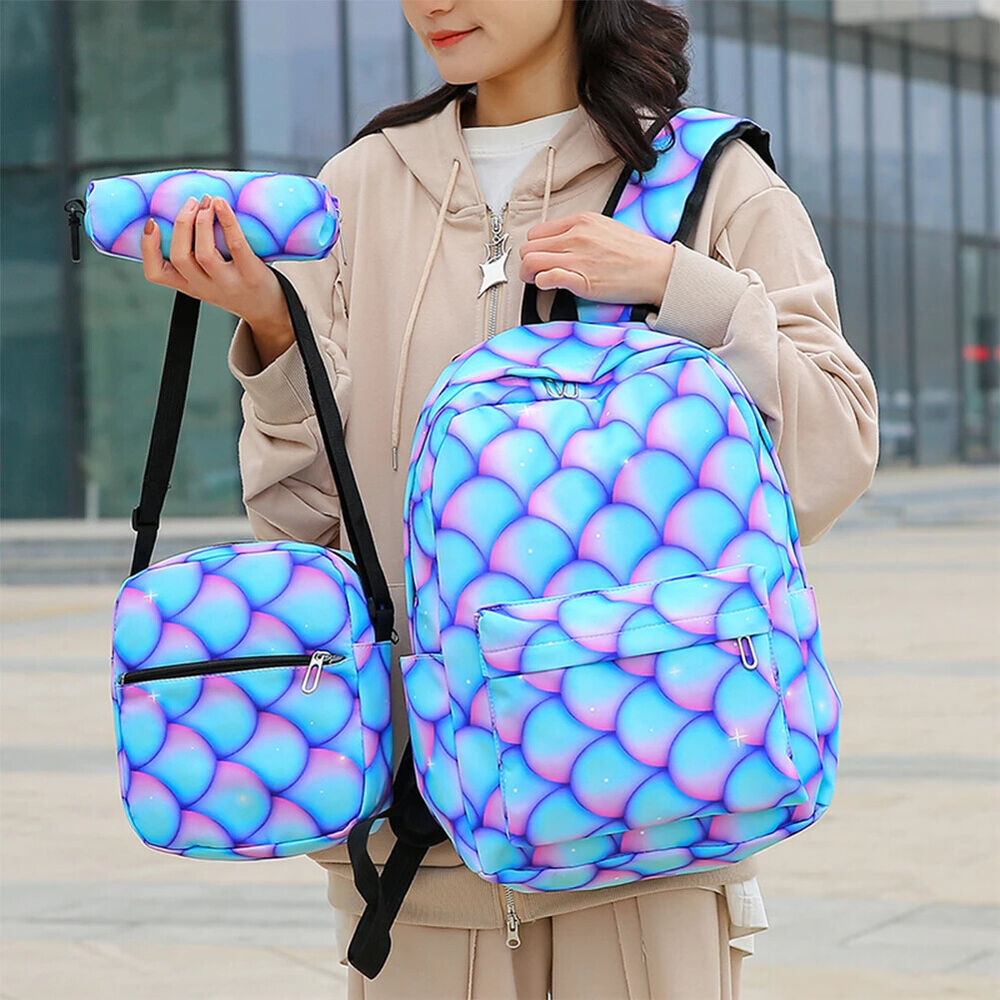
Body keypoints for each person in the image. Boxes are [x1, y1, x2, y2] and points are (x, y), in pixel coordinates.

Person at [139, 1, 879, 996]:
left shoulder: (707, 178)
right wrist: (275, 332)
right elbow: (312, 531)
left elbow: (832, 453)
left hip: (652, 830)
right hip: (417, 864)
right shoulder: (358, 189)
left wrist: (682, 285)